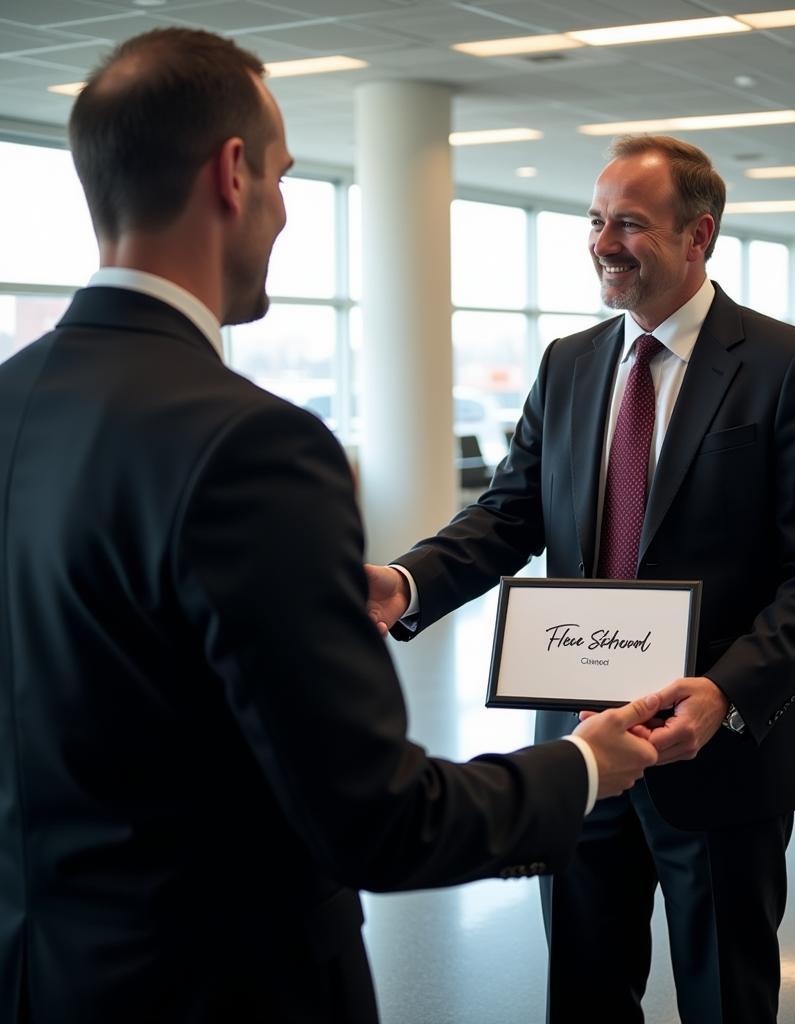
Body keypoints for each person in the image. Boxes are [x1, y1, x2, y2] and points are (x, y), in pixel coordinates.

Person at [0, 29, 667, 1024]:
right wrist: (581, 766)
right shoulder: (252, 444)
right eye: (282, 177)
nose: (281, 211)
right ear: (233, 174)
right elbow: (377, 818)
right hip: (220, 985)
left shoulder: (13, 401)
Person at [366, 135, 795, 1023]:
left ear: (697, 236)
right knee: (585, 991)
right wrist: (407, 584)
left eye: (629, 224)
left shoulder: (788, 367)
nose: (602, 242)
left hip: (721, 751)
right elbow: (508, 515)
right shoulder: (570, 363)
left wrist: (724, 691)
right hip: (583, 745)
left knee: (727, 995)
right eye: (596, 221)